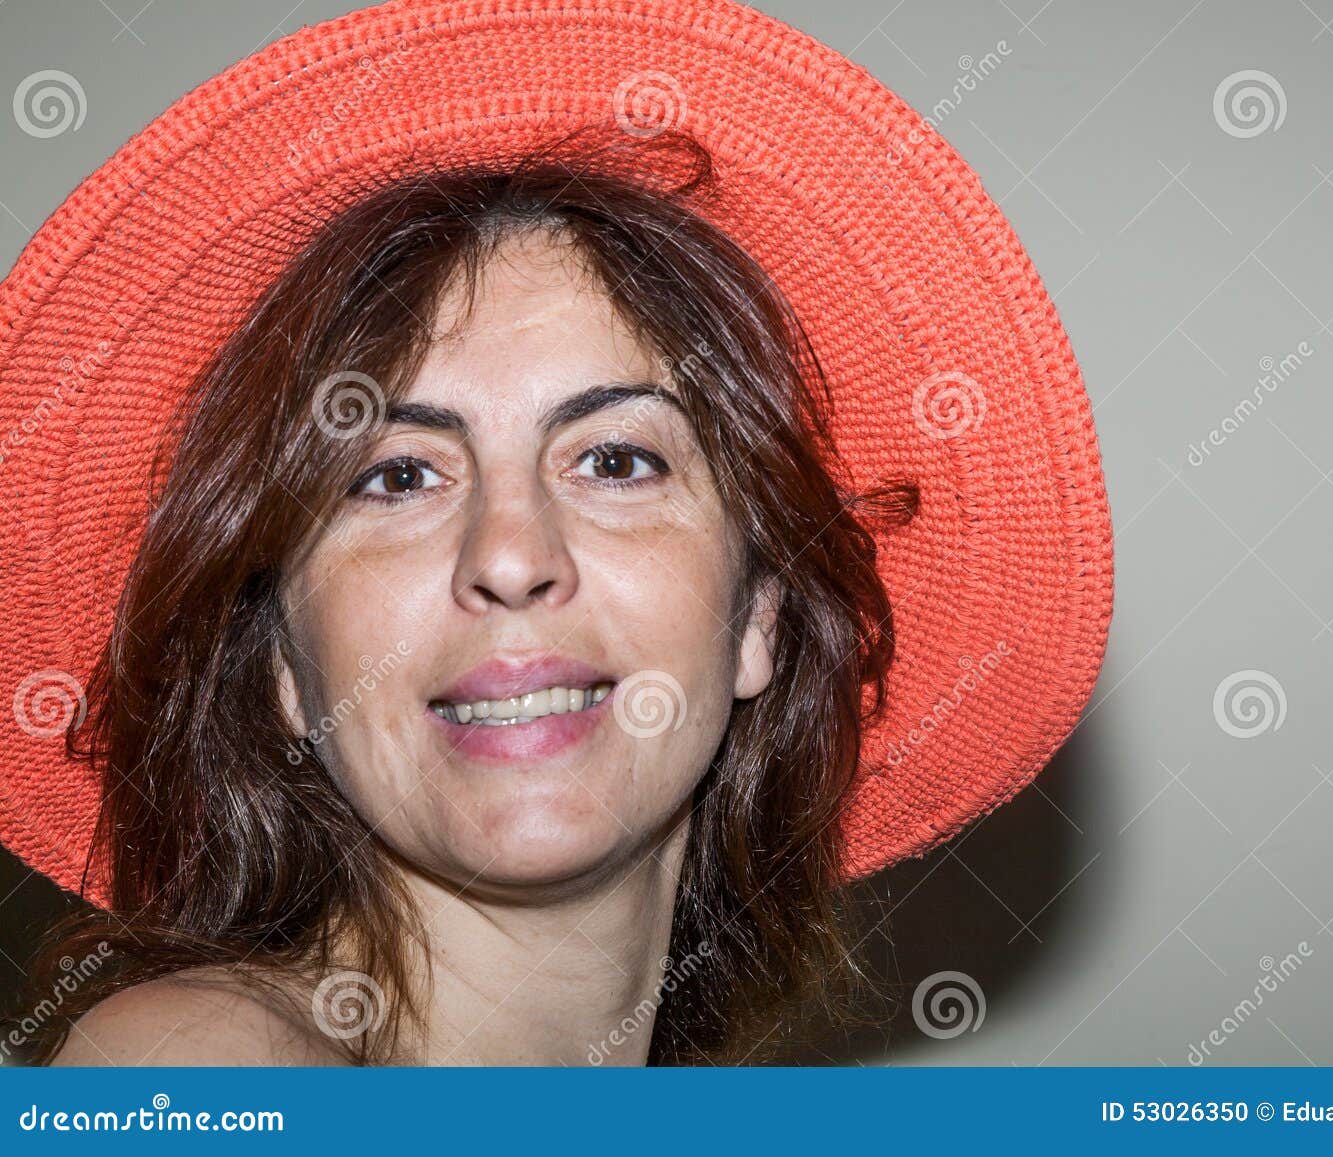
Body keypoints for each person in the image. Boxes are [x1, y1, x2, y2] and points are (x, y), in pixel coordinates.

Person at [0, 0, 1113, 1066]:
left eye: (616, 461)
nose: (511, 556)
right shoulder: (195, 1066)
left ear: (757, 618)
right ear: (285, 661)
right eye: (394, 476)